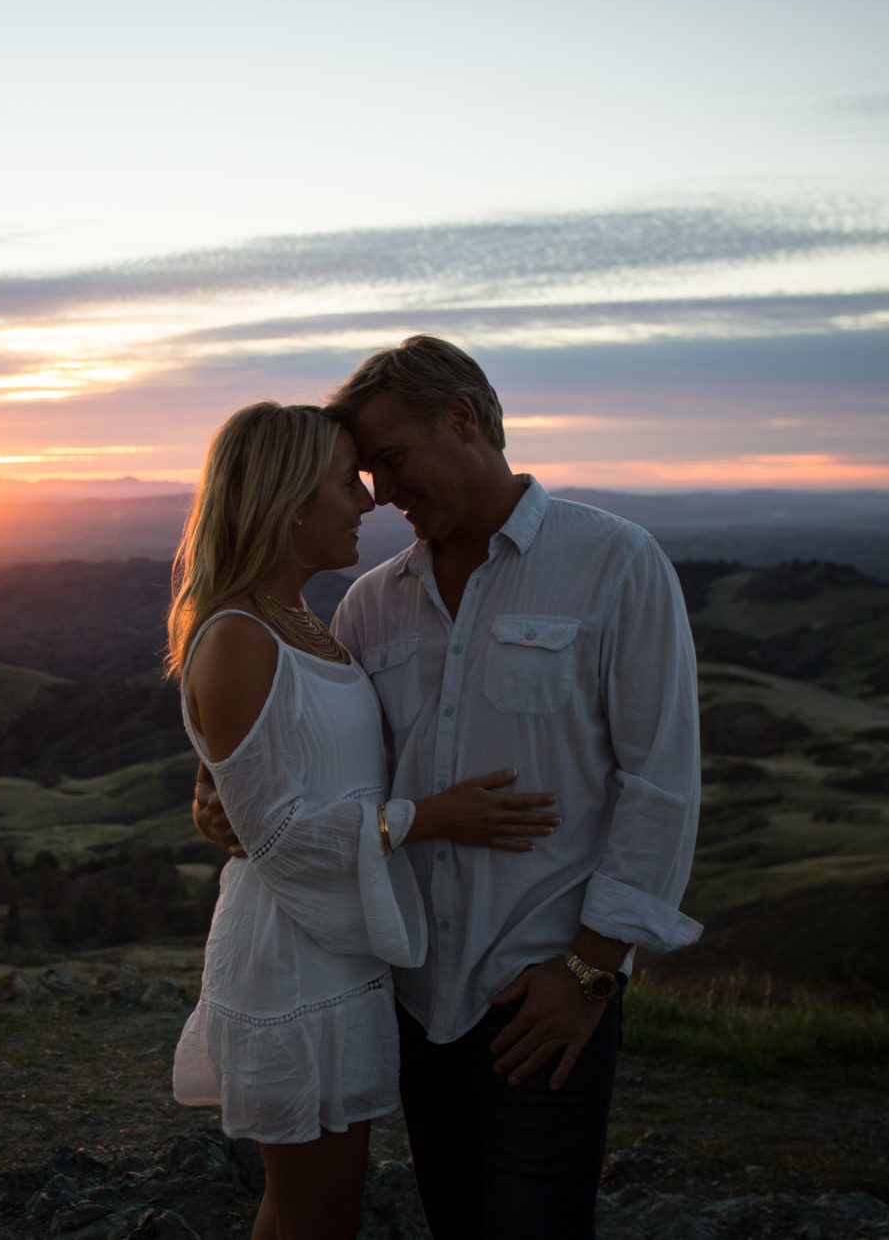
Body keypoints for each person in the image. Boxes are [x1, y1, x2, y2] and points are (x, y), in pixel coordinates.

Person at [195, 338, 703, 1240]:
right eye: (361, 475)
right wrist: (220, 787)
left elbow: (660, 788)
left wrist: (590, 971)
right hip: (412, 995)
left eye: (389, 462)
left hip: (540, 992)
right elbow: (309, 752)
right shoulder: (370, 605)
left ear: (463, 420)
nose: (380, 494)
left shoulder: (617, 564)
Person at [168, 401, 563, 1240]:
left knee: (327, 1207)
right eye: (344, 482)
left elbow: (291, 776)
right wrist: (431, 818)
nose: (366, 500)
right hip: (290, 958)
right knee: (314, 1209)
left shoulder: (311, 622)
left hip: (338, 951)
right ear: (287, 500)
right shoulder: (240, 636)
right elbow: (277, 841)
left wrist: (218, 788)